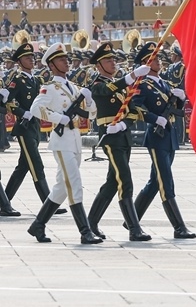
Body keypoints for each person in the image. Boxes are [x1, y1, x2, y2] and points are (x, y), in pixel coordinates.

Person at [27, 42, 101, 244]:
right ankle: (85, 232)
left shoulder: (75, 87)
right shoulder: (49, 88)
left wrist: (89, 100)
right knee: (74, 183)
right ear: (51, 65)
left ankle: (38, 225)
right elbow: (35, 109)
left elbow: (92, 115)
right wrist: (59, 118)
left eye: (66, 58)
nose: (66, 62)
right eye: (61, 59)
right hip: (61, 142)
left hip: (75, 140)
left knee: (61, 187)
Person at [86, 42, 152, 241]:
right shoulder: (97, 85)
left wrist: (124, 124)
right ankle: (134, 228)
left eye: (114, 59)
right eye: (108, 60)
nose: (113, 62)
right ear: (98, 65)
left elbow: (132, 110)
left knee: (112, 183)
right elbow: (108, 90)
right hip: (110, 139)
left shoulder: (122, 87)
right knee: (125, 179)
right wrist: (132, 76)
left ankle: (91, 223)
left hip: (123, 136)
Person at [129, 42, 196, 239]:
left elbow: (176, 109)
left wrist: (180, 98)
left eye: (158, 58)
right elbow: (136, 107)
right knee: (166, 182)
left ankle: (132, 220)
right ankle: (179, 227)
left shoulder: (164, 83)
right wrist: (154, 118)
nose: (158, 61)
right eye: (154, 59)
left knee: (154, 182)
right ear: (145, 62)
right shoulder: (142, 84)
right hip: (156, 137)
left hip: (169, 136)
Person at [1, 42, 67, 215]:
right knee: (36, 164)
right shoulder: (17, 79)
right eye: (27, 57)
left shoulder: (37, 80)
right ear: (19, 61)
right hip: (24, 128)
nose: (31, 59)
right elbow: (8, 101)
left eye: (32, 57)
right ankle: (49, 204)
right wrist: (22, 113)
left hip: (35, 127)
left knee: (23, 167)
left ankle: (4, 203)